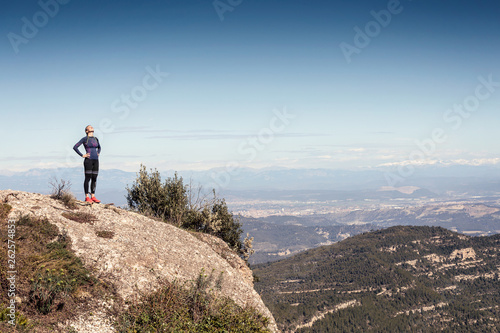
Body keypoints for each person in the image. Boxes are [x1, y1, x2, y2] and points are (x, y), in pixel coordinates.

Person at [73, 125, 101, 203]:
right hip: (88, 160)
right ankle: (87, 197)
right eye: (90, 127)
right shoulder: (85, 139)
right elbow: (75, 147)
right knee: (87, 178)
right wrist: (82, 155)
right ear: (86, 131)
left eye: (92, 127)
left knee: (94, 178)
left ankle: (93, 196)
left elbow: (99, 147)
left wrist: (98, 153)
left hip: (96, 160)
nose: (92, 127)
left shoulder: (96, 139)